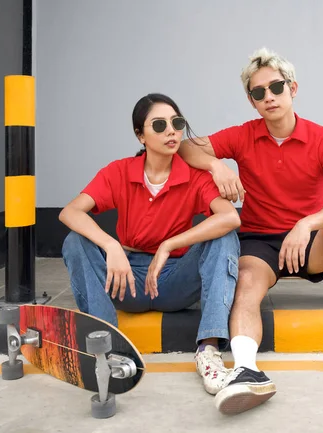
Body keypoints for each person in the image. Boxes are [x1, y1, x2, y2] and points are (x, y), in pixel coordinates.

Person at [177, 48, 323, 415]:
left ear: (292, 88)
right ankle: (247, 369)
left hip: (309, 242)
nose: (268, 97)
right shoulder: (243, 135)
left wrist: (306, 223)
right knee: (246, 279)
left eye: (275, 87)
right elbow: (185, 147)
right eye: (258, 92)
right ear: (252, 101)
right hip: (260, 241)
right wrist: (217, 165)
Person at [59, 93, 241, 396]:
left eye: (177, 123)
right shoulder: (119, 171)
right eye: (159, 125)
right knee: (75, 241)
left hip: (174, 281)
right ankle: (105, 346)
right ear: (140, 135)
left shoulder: (194, 176)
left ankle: (208, 352)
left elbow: (229, 218)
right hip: (125, 280)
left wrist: (170, 244)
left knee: (224, 237)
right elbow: (70, 212)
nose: (171, 131)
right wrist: (112, 246)